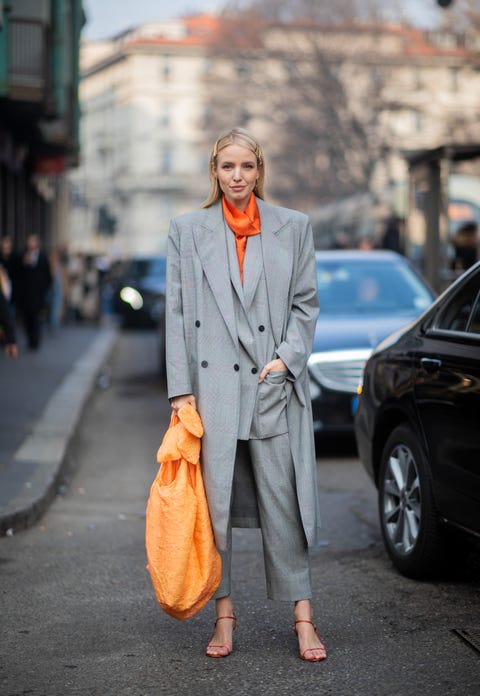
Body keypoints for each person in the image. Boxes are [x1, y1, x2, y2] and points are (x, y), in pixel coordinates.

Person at [165, 127, 325, 662]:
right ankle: (224, 615)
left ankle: (303, 617)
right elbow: (177, 315)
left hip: (270, 386)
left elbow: (305, 304)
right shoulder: (187, 231)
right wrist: (181, 392)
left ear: (260, 171)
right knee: (216, 509)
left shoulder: (293, 227)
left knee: (286, 506)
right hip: (212, 394)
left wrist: (287, 360)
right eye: (228, 167)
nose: (237, 177)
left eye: (247, 168)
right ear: (214, 171)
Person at [16, 233, 52, 349]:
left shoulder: (42, 257)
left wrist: (43, 291)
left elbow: (48, 277)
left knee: (35, 318)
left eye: (33, 241)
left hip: (37, 295)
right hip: (25, 295)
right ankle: (30, 340)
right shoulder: (22, 256)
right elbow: (18, 275)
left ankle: (35, 341)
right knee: (26, 319)